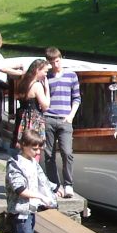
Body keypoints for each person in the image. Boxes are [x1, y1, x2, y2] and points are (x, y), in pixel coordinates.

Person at [43, 47, 81, 198]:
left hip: (65, 119)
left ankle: (68, 184)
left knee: (67, 152)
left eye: (57, 61)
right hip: (49, 118)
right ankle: (54, 184)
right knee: (49, 154)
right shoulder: (46, 77)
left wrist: (71, 116)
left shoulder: (71, 76)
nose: (55, 65)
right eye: (52, 62)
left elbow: (77, 98)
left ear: (61, 59)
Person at [10, 60, 50, 152]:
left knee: (23, 146)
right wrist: (47, 89)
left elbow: (16, 97)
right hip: (33, 118)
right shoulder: (37, 85)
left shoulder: (22, 82)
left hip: (22, 115)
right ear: (37, 70)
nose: (46, 74)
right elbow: (45, 106)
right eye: (45, 71)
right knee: (33, 146)